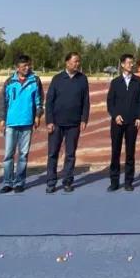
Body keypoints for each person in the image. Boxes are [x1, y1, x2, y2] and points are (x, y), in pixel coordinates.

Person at [0, 55, 43, 194]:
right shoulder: (10, 82)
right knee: (8, 155)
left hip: (27, 123)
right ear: (17, 68)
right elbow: (3, 101)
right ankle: (7, 182)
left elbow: (39, 100)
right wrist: (1, 119)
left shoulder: (35, 80)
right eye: (24, 66)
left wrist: (38, 115)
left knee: (23, 154)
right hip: (11, 123)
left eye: (28, 66)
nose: (27, 68)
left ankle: (20, 182)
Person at [44, 51, 90, 193]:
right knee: (53, 153)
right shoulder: (57, 79)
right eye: (75, 61)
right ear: (67, 62)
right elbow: (49, 102)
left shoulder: (82, 79)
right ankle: (51, 182)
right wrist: (49, 121)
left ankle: (67, 181)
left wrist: (84, 119)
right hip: (57, 123)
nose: (77, 64)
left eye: (78, 61)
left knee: (70, 154)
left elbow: (86, 101)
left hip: (74, 124)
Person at [106, 53, 140, 191]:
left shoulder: (138, 81)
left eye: (132, 62)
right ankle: (114, 182)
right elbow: (110, 102)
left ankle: (129, 181)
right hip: (117, 123)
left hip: (132, 122)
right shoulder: (115, 82)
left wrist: (139, 117)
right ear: (122, 64)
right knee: (115, 152)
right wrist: (115, 115)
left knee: (130, 153)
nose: (131, 65)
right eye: (128, 62)